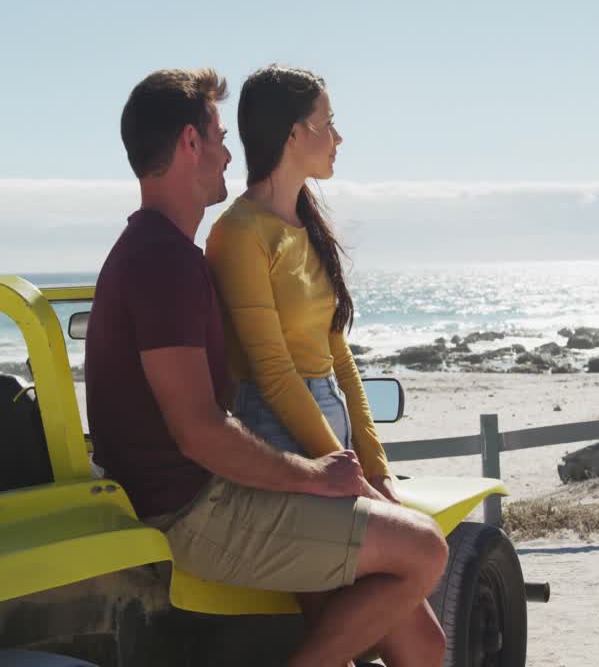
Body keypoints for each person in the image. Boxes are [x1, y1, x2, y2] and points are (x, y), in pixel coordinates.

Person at [84, 68, 448, 667]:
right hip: (194, 512)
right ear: (189, 144)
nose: (231, 153)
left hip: (204, 494)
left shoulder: (166, 253)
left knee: (421, 639)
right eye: (219, 137)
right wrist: (313, 476)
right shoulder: (163, 260)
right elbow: (198, 428)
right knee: (426, 551)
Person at [204, 65, 444, 664]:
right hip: (282, 442)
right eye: (328, 123)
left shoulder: (306, 223)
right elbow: (273, 372)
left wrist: (375, 464)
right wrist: (341, 473)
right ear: (292, 134)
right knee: (357, 634)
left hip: (329, 437)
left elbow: (339, 355)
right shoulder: (238, 233)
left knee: (425, 644)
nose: (338, 137)